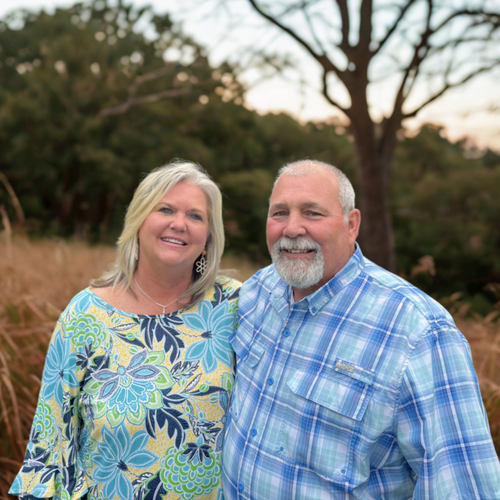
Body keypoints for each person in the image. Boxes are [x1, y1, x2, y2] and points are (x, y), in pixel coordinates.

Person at [222, 159, 500, 499]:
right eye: (280, 213)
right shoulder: (257, 291)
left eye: (312, 213)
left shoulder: (420, 332)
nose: (292, 228)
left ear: (351, 224)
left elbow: (463, 487)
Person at [10, 160, 240, 500]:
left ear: (208, 236)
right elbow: (50, 442)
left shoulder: (234, 306)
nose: (179, 224)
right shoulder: (86, 314)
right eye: (165, 209)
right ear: (138, 221)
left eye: (195, 216)